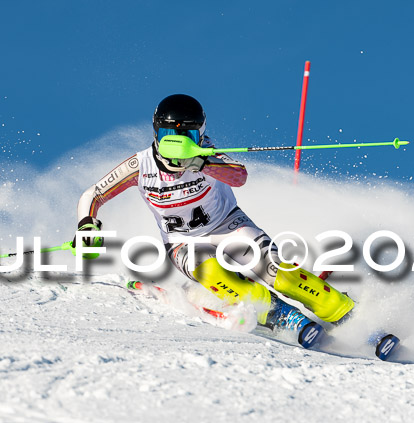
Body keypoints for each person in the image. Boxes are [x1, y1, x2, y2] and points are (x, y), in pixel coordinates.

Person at [74, 94, 354, 348]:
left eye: (188, 135)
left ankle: (342, 310)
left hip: (228, 226)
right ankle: (282, 316)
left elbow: (239, 177)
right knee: (215, 276)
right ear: (156, 131)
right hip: (182, 243)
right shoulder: (140, 165)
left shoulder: (208, 153)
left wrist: (201, 163)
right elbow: (94, 193)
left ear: (201, 133)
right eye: (168, 133)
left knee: (276, 271)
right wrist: (87, 224)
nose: (177, 142)